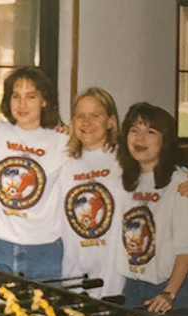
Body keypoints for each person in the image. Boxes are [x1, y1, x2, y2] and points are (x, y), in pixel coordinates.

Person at [0, 67, 69, 279]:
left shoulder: (62, 141)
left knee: (45, 312)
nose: (22, 104)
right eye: (15, 96)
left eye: (31, 96)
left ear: (44, 100)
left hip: (43, 251)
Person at [117, 102, 188, 316]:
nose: (140, 138)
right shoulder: (125, 179)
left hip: (172, 288)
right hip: (133, 285)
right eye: (134, 130)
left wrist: (170, 292)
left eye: (150, 132)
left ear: (165, 141)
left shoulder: (182, 183)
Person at [59, 88, 126, 298]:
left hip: (115, 277)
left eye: (95, 116)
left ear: (111, 121)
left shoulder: (126, 159)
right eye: (80, 116)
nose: (86, 123)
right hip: (73, 275)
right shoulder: (63, 160)